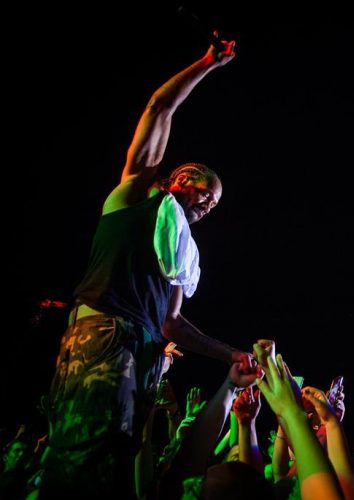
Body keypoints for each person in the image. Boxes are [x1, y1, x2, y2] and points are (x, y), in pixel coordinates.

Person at [39, 37, 259, 498]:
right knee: (84, 461)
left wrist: (231, 355)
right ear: (182, 178)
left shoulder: (179, 254)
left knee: (121, 462)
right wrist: (207, 63)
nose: (208, 206)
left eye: (214, 206)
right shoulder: (138, 193)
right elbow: (160, 107)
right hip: (105, 334)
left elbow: (171, 323)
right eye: (207, 194)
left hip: (145, 349)